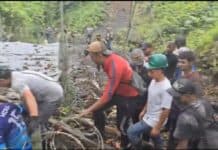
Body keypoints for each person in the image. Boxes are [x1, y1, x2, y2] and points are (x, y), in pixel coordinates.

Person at [79, 41, 141, 148]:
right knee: (97, 109)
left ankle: (126, 146)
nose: (91, 59)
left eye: (92, 56)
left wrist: (87, 111)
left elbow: (107, 95)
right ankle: (100, 134)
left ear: (99, 55)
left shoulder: (114, 66)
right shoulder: (107, 59)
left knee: (122, 126)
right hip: (118, 92)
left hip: (128, 96)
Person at [0, 67, 64, 149]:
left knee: (37, 124)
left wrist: (34, 118)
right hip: (48, 90)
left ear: (2, 80)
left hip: (53, 97)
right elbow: (25, 96)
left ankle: (41, 143)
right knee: (28, 114)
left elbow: (29, 97)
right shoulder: (15, 74)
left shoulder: (17, 83)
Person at [127, 54, 173, 149]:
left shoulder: (166, 88)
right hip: (149, 115)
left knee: (131, 132)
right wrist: (144, 110)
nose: (149, 73)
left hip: (155, 119)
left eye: (151, 71)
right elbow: (151, 97)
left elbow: (166, 110)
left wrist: (157, 127)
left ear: (160, 70)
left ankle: (145, 147)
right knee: (153, 135)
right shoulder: (154, 80)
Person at [166, 51, 203, 149]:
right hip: (176, 110)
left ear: (191, 63)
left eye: (183, 62)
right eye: (179, 62)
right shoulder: (180, 74)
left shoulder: (195, 79)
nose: (179, 64)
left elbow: (197, 100)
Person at [167, 78, 218, 149]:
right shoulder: (205, 102)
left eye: (177, 97)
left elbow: (182, 147)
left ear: (188, 95)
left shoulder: (185, 118)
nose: (174, 99)